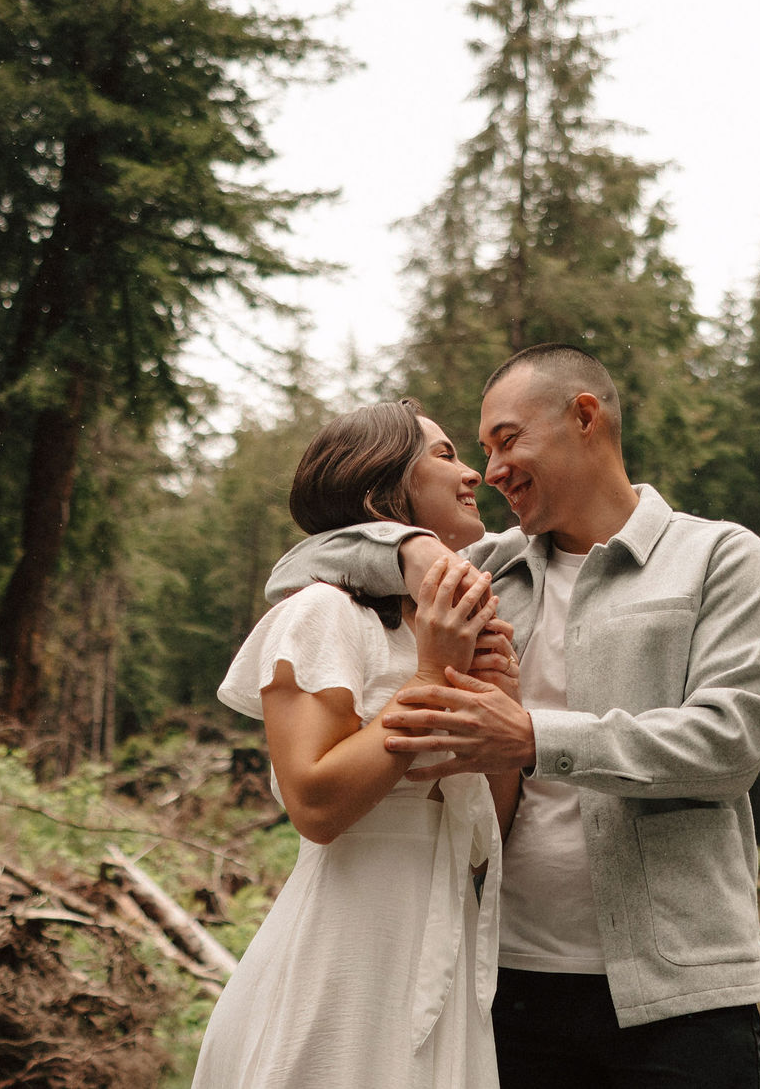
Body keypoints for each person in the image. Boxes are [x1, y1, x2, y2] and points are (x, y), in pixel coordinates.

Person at [265, 344, 760, 1089]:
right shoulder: (483, 569)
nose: (492, 468)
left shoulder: (719, 558)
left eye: (507, 440)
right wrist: (409, 547)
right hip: (509, 984)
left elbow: (730, 743)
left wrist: (533, 736)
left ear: (584, 416)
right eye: (479, 450)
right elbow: (295, 566)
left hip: (683, 994)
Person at [191, 399, 524, 1089]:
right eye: (444, 455)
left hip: (446, 943)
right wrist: (432, 678)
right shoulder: (322, 614)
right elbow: (315, 806)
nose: (472, 474)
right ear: (381, 493)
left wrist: (498, 708)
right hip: (346, 953)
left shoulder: (442, 627)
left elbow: (491, 823)